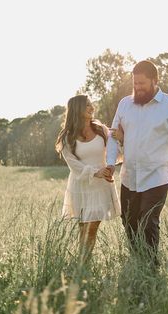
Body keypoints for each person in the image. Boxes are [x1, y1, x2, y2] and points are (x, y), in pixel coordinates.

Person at [106, 60, 168, 263]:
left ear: (155, 81)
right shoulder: (125, 104)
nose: (137, 88)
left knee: (148, 221)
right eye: (135, 83)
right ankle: (138, 261)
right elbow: (114, 135)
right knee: (128, 221)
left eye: (142, 84)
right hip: (130, 175)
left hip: (157, 175)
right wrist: (111, 163)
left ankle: (151, 266)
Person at [55, 95, 120, 261]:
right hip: (81, 185)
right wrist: (94, 172)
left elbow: (115, 153)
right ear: (77, 110)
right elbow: (73, 165)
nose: (92, 108)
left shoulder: (101, 130)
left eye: (91, 104)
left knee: (92, 225)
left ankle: (83, 262)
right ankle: (82, 263)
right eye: (87, 106)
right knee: (84, 227)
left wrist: (110, 166)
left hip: (101, 185)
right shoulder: (67, 137)